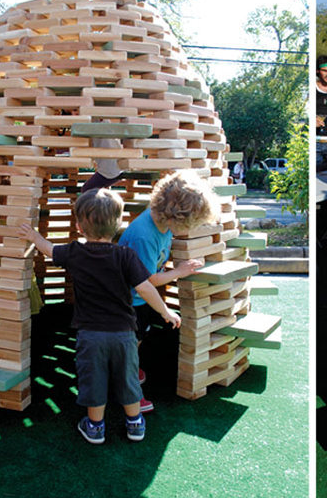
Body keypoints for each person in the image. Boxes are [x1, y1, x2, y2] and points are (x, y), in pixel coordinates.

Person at [18, 188, 182, 444]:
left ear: (79, 227)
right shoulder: (125, 255)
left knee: (94, 379)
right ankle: (135, 424)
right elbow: (146, 287)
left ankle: (95, 426)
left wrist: (33, 235)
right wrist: (165, 311)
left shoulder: (75, 252)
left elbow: (49, 250)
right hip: (125, 334)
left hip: (91, 334)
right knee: (128, 378)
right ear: (118, 225)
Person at [118, 170, 220, 413]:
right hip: (128, 301)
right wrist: (179, 272)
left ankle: (128, 370)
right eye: (189, 226)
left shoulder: (160, 223)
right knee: (129, 345)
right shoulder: (145, 236)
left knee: (138, 339)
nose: (188, 231)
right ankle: (126, 386)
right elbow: (148, 280)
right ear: (175, 218)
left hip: (138, 300)